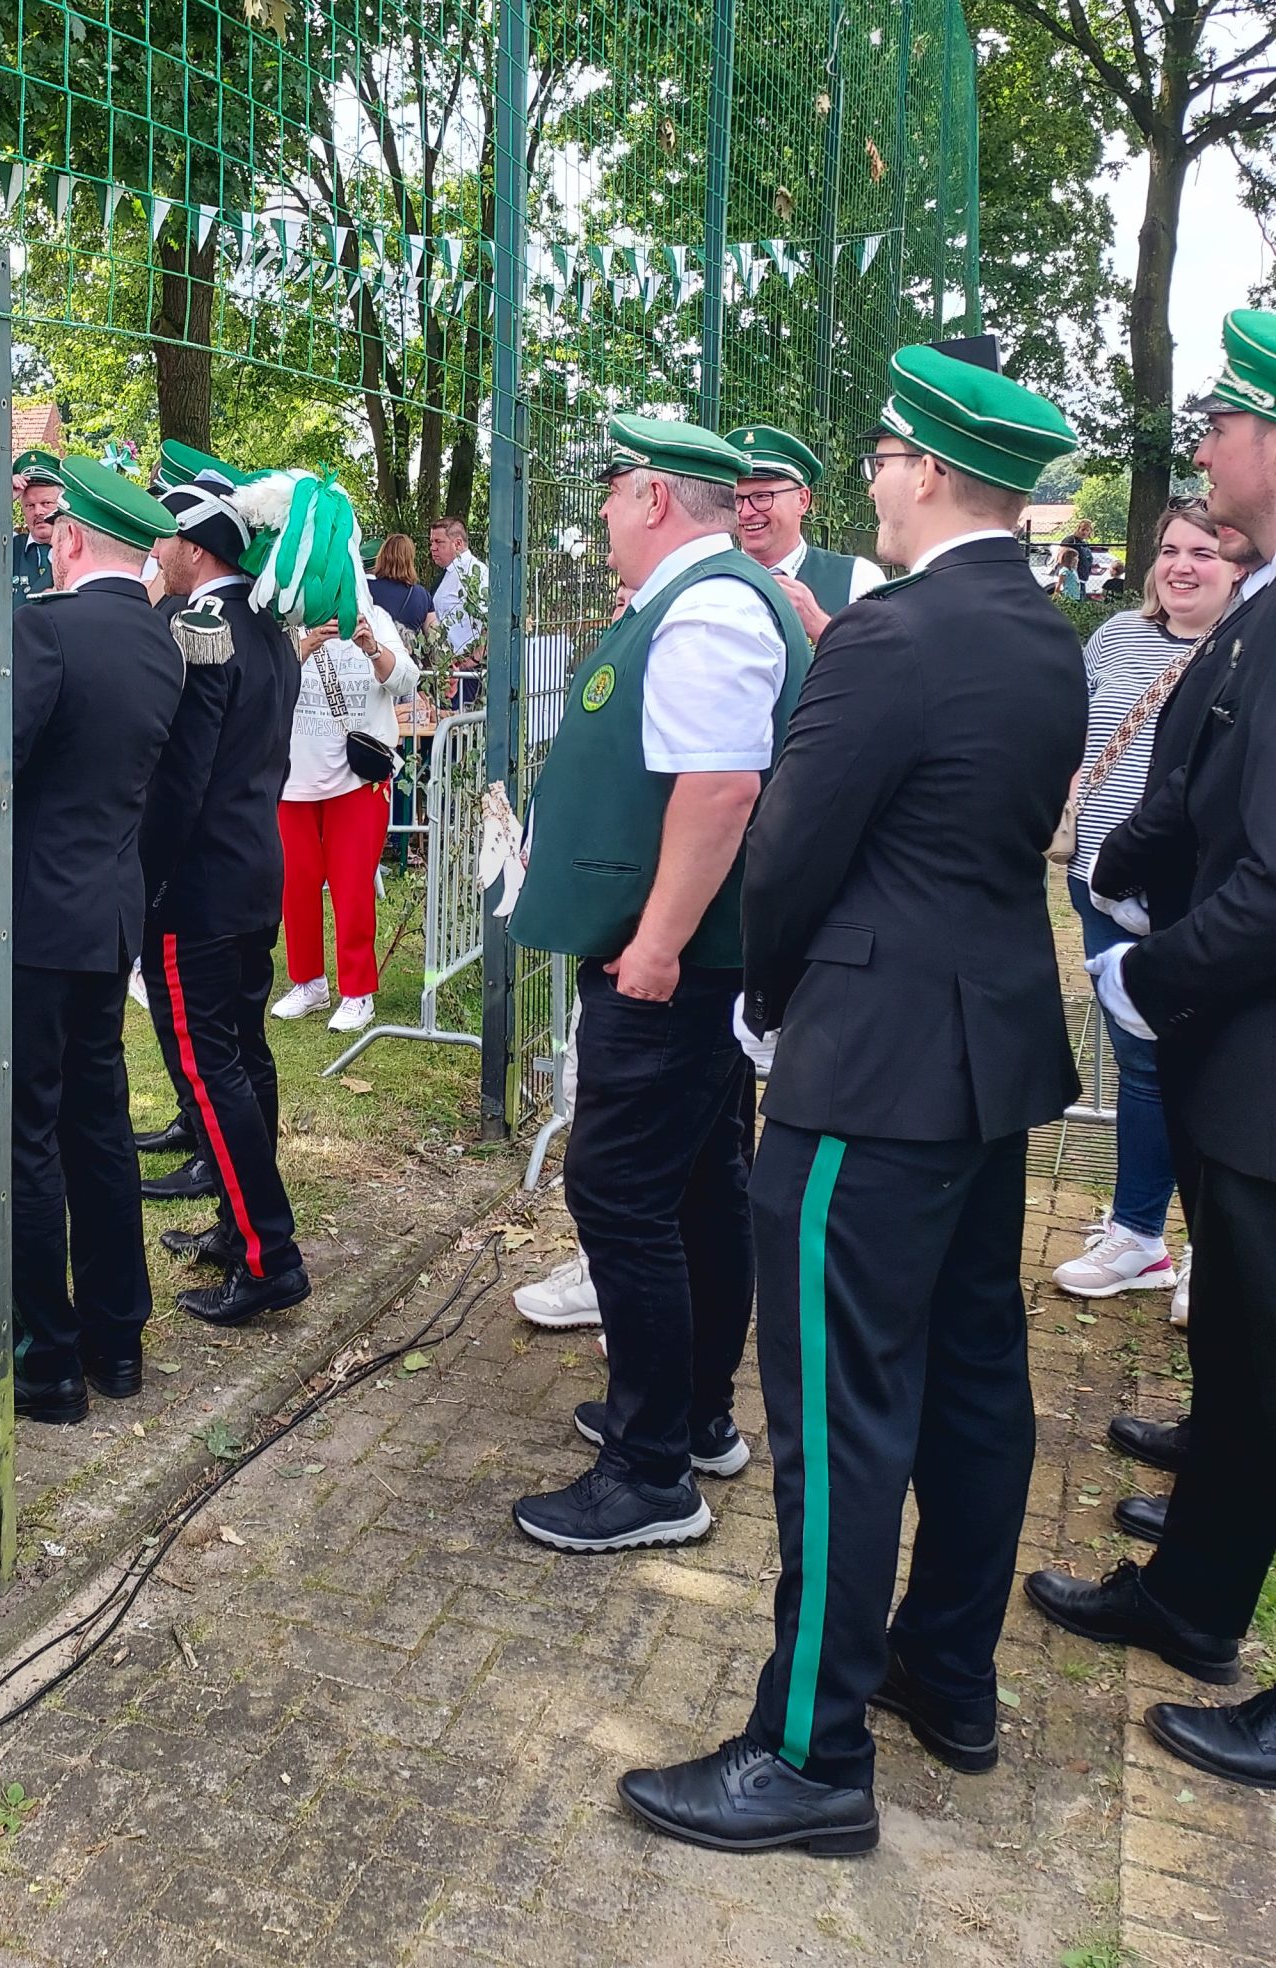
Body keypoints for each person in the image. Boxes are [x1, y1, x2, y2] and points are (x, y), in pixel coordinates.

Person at [618, 344, 1082, 1857]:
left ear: (930, 470)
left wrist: (768, 999)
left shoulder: (894, 632)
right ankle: (947, 1674)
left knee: (837, 1411)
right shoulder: (1043, 628)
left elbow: (793, 849)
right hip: (986, 1055)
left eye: (883, 456)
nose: (873, 478)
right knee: (973, 1379)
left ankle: (810, 1752)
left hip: (872, 1066)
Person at [1031, 309, 1276, 1789]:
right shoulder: (1256, 605)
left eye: (1230, 420)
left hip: (1252, 1041)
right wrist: (1123, 874)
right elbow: (1196, 782)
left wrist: (1148, 973)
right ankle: (1193, 1599)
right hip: (1235, 1052)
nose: (1208, 443)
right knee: (1242, 1354)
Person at [505, 415, 807, 1553]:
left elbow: (722, 788)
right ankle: (693, 1418)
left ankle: (649, 1473)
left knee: (621, 1191)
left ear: (654, 499)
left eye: (612, 492)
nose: (602, 515)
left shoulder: (710, 605)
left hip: (674, 968)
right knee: (696, 1188)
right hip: (692, 960)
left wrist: (659, 945)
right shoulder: (703, 596)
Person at [7, 458, 186, 1422]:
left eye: (50, 531)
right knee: (99, 1126)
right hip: (108, 914)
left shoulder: (47, 628)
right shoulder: (163, 642)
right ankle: (118, 1342)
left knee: (30, 1135)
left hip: (40, 918)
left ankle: (48, 1362)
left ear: (70, 537)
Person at [1053, 501, 1237, 1310]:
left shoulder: (1246, 647)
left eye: (1204, 551)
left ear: (1237, 564)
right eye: (1170, 550)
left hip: (1195, 892)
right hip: (1097, 878)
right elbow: (1075, 733)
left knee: (1213, 1065)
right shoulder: (1117, 638)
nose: (1182, 566)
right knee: (1137, 1062)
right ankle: (1139, 1235)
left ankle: (1215, 1249)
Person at [138, 474, 309, 1326]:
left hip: (200, 882)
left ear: (197, 549)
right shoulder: (269, 626)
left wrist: (149, 877)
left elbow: (184, 776)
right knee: (244, 1056)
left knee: (212, 1073)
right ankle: (243, 1227)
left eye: (164, 537)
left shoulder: (201, 626)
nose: (155, 551)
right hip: (253, 868)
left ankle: (267, 1253)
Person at [272, 598, 418, 1034]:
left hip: (358, 778)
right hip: (294, 777)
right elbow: (264, 680)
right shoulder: (286, 620)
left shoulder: (376, 616)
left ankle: (358, 992)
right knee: (296, 883)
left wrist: (372, 648)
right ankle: (308, 982)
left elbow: (406, 679)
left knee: (352, 884)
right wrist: (302, 647)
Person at [725, 424, 884, 644]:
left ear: (802, 500)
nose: (746, 512)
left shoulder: (856, 579)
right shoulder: (713, 580)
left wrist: (818, 625)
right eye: (736, 499)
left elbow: (879, 661)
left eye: (762, 496)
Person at [427, 516, 486, 702]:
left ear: (458, 543)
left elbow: (491, 621)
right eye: (431, 542)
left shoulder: (476, 573)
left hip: (465, 672)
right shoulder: (449, 573)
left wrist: (473, 660)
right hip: (447, 669)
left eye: (439, 542)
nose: (433, 548)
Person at [11, 449, 62, 603]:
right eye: (30, 506)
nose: (38, 512)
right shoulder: (9, 550)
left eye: (46, 503)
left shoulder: (79, 552)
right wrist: (2, 501)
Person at [367, 533, 436, 641]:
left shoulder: (366, 589)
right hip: (407, 650)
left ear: (382, 557)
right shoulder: (422, 595)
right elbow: (434, 637)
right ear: (410, 560)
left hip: (374, 649)